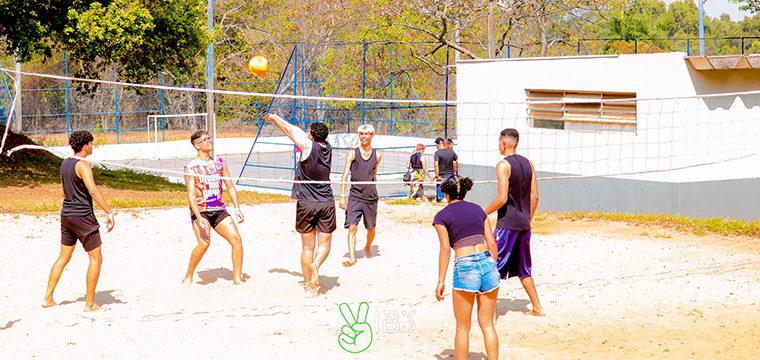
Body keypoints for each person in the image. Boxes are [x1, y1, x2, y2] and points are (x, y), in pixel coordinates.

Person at [42, 130, 115, 312]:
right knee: (96, 259)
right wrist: (109, 212)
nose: (92, 146)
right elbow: (93, 190)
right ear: (85, 145)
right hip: (82, 216)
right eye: (91, 143)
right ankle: (90, 304)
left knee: (63, 257)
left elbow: (65, 192)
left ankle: (48, 298)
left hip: (66, 215)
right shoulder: (83, 165)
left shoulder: (65, 163)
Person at [263, 113, 335, 295]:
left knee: (307, 247)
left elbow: (289, 130)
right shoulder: (328, 147)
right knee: (325, 243)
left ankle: (310, 286)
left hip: (307, 202)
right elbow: (297, 131)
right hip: (326, 201)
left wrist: (273, 118)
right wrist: (275, 117)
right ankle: (316, 265)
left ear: (310, 135)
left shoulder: (307, 146)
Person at [434, 175, 499, 360]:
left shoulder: (441, 216)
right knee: (488, 325)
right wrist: (491, 266)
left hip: (465, 265)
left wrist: (440, 281)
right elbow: (492, 243)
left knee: (463, 327)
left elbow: (446, 250)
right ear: (466, 191)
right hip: (487, 262)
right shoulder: (479, 210)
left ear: (444, 192)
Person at [484, 128, 544, 316]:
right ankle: (537, 308)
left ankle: (488, 313)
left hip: (507, 224)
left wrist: (483, 212)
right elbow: (535, 196)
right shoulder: (529, 164)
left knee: (492, 267)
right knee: (524, 269)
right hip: (524, 225)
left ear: (503, 144)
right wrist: (528, 219)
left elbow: (502, 198)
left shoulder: (503, 165)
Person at [182, 130, 245, 286]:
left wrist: (237, 208)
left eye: (210, 138)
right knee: (204, 243)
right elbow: (191, 195)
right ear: (197, 145)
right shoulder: (191, 167)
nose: (209, 141)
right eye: (205, 139)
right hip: (201, 211)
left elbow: (230, 187)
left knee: (236, 240)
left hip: (218, 210)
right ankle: (189, 275)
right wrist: (198, 216)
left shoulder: (219, 163)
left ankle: (237, 280)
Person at [339, 124, 382, 267]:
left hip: (370, 197)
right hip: (355, 196)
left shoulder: (377, 155)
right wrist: (342, 195)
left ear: (372, 136)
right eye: (361, 133)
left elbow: (374, 175)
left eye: (366, 133)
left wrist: (375, 192)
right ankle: (352, 258)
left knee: (371, 229)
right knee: (352, 227)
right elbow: (345, 175)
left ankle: (368, 247)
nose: (363, 136)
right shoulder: (352, 153)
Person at [434, 137, 458, 202]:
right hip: (451, 176)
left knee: (442, 196)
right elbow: (457, 161)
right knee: (450, 195)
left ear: (437, 144)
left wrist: (437, 176)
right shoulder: (451, 152)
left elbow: (436, 164)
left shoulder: (437, 153)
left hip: (442, 177)